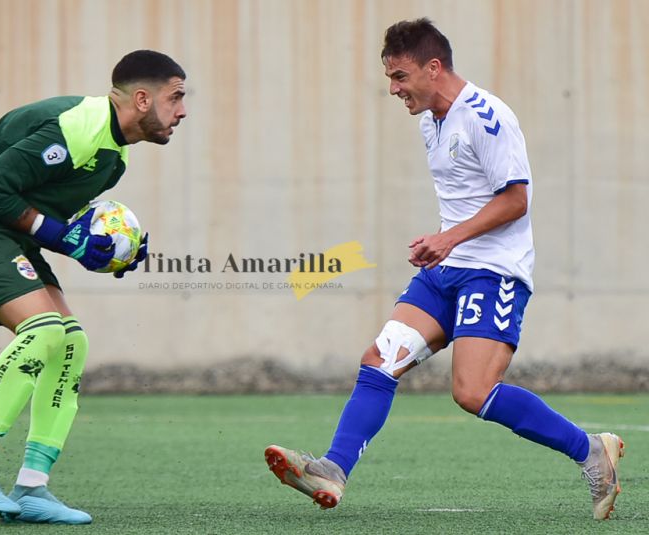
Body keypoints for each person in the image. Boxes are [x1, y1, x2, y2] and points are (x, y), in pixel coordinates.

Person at [264, 19, 624, 521]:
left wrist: (448, 238)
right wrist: (443, 244)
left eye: (400, 76)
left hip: (493, 273)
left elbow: (516, 200)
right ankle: (333, 469)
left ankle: (590, 451)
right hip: (446, 270)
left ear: (434, 68)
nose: (392, 89)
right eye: (389, 77)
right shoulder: (429, 118)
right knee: (380, 359)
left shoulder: (487, 116)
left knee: (472, 392)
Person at [0, 49, 187, 524]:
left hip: (3, 233)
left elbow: (44, 216)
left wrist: (102, 251)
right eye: (176, 97)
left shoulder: (115, 157)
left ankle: (33, 487)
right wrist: (66, 239)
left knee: (70, 344)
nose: (182, 111)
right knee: (42, 331)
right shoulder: (76, 126)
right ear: (143, 99)